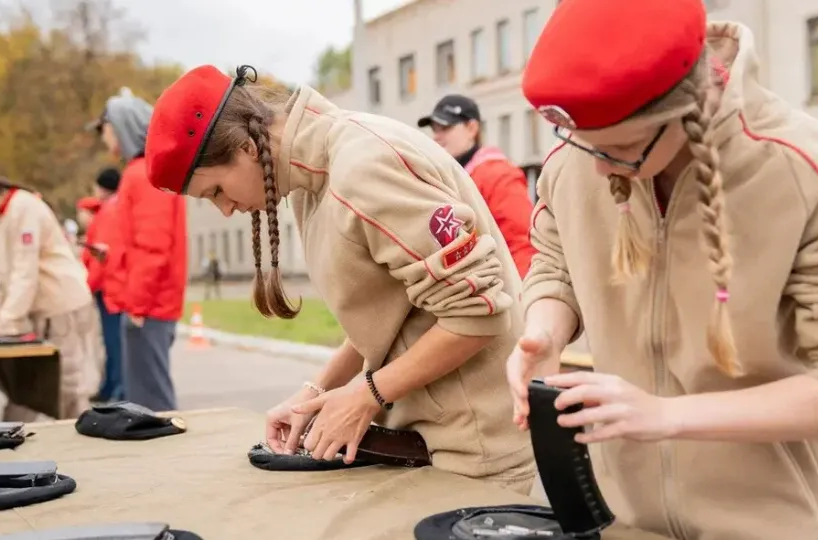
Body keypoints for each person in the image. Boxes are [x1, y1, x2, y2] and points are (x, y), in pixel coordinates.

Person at [506, 1, 818, 538]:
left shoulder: (814, 174)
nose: (599, 168)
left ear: (685, 108)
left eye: (621, 149)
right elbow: (555, 258)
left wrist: (666, 414)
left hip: (763, 523)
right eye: (587, 146)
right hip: (619, 517)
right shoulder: (579, 159)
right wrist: (543, 328)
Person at [143, 64, 536, 493]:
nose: (225, 209)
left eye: (216, 191)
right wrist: (313, 393)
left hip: (474, 447)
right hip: (427, 434)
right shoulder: (310, 178)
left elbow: (478, 314)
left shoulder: (364, 166)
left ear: (247, 148)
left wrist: (365, 396)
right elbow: (390, 309)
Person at [0, 162, 99, 421]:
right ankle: (13, 440)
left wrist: (7, 323)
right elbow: (1, 276)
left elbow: (25, 272)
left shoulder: (25, 208)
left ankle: (85, 439)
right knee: (25, 388)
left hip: (61, 304)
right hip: (36, 308)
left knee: (67, 387)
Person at [90, 88, 187, 412]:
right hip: (145, 304)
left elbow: (153, 247)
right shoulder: (142, 172)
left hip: (148, 306)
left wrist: (137, 304)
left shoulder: (145, 174)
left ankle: (167, 463)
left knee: (151, 404)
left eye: (105, 129)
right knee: (143, 399)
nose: (104, 139)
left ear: (121, 126)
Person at [418, 95, 536, 277]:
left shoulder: (497, 174)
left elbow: (521, 242)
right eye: (434, 128)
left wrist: (521, 299)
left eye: (445, 127)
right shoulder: (451, 175)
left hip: (498, 291)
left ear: (472, 128)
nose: (436, 136)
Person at [84, 167, 125, 403]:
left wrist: (88, 286)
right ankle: (111, 386)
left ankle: (117, 390)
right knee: (113, 343)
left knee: (114, 344)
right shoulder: (114, 208)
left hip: (110, 288)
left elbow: (101, 253)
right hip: (112, 286)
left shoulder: (109, 211)